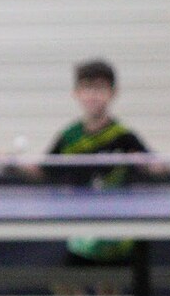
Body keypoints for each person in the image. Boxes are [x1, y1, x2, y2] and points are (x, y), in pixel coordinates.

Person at [46, 58, 152, 264]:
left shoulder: (122, 135)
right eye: (87, 88)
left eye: (100, 88)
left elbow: (158, 166)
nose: (93, 95)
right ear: (76, 93)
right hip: (81, 235)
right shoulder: (69, 136)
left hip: (120, 237)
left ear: (113, 92)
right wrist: (10, 163)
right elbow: (44, 169)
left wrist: (144, 162)